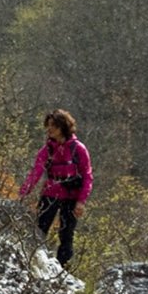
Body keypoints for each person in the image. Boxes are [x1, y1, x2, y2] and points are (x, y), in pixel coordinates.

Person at [17, 109, 93, 267]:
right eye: (48, 125)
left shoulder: (78, 149)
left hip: (71, 197)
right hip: (50, 194)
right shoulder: (47, 150)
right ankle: (34, 263)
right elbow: (35, 173)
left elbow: (87, 176)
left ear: (63, 127)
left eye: (54, 126)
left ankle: (62, 270)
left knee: (66, 235)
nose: (49, 129)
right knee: (39, 230)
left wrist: (81, 201)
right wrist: (23, 194)